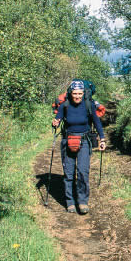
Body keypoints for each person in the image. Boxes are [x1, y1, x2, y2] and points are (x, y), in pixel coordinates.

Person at [52, 80, 105, 214]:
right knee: (69, 173)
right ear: (70, 93)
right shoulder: (65, 106)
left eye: (80, 93)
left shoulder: (89, 105)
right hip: (67, 140)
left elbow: (97, 122)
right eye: (75, 93)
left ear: (83, 93)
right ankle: (70, 202)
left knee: (82, 172)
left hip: (84, 141)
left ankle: (82, 202)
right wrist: (55, 123)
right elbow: (58, 119)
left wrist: (102, 139)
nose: (77, 96)